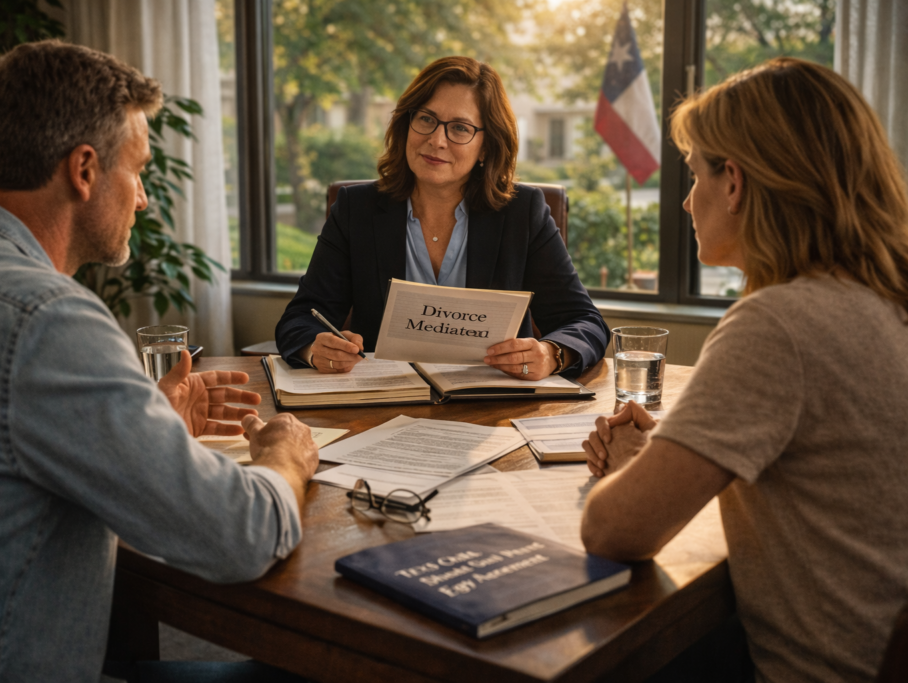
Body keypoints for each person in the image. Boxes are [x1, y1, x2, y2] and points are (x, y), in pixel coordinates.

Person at [0, 41, 318, 683]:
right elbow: (242, 535)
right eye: (138, 170)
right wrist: (286, 454)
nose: (142, 199)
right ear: (84, 170)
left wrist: (148, 429)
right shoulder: (44, 319)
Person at [580, 58, 908, 683]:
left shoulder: (780, 323)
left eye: (694, 174)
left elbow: (612, 530)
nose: (685, 200)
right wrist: (676, 460)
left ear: (733, 182)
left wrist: (632, 470)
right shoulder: (886, 298)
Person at [275, 56, 609, 380]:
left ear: (486, 147)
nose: (436, 140)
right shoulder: (355, 209)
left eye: (460, 128)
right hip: (381, 405)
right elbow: (302, 319)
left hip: (493, 410)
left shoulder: (523, 213)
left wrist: (553, 354)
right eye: (426, 119)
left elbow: (585, 322)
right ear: (406, 124)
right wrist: (314, 348)